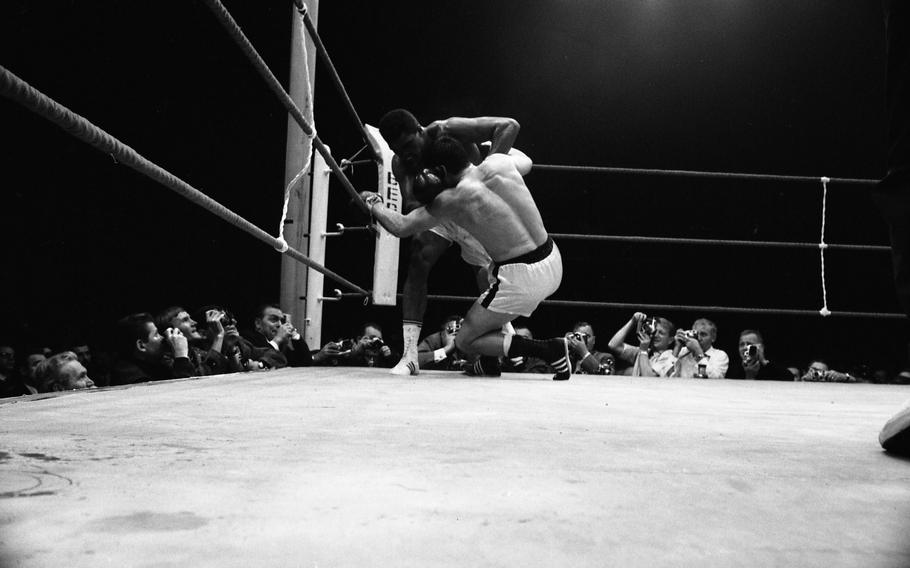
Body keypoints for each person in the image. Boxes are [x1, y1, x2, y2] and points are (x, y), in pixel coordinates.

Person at [361, 136, 571, 380]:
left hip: (521, 279)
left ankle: (548, 349)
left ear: (440, 171)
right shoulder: (499, 163)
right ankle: (489, 364)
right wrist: (489, 144)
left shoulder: (452, 200)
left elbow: (401, 226)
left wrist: (372, 202)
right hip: (553, 258)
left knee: (466, 340)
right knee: (486, 305)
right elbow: (527, 161)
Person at [377, 109, 521, 376]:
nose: (406, 154)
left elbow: (508, 125)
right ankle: (410, 355)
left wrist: (488, 172)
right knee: (419, 256)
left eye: (409, 145)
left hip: (473, 204)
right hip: (440, 210)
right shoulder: (402, 162)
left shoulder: (448, 129)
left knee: (486, 276)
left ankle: (494, 353)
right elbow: (411, 207)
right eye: (396, 149)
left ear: (420, 130)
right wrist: (428, 188)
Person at [110, 313, 195, 385]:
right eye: (156, 334)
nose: (162, 338)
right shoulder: (133, 377)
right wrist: (181, 356)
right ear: (141, 346)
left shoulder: (153, 365)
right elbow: (182, 396)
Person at [608, 312, 677, 377]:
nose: (656, 335)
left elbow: (649, 378)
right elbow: (613, 345)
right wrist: (632, 321)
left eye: (661, 333)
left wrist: (643, 351)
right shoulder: (644, 352)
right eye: (654, 331)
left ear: (670, 340)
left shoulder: (669, 356)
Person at [727, 329, 793, 381]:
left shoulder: (771, 369)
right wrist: (749, 375)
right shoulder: (733, 371)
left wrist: (765, 363)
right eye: (741, 344)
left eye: (749, 344)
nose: (745, 347)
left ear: (761, 347)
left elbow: (789, 377)